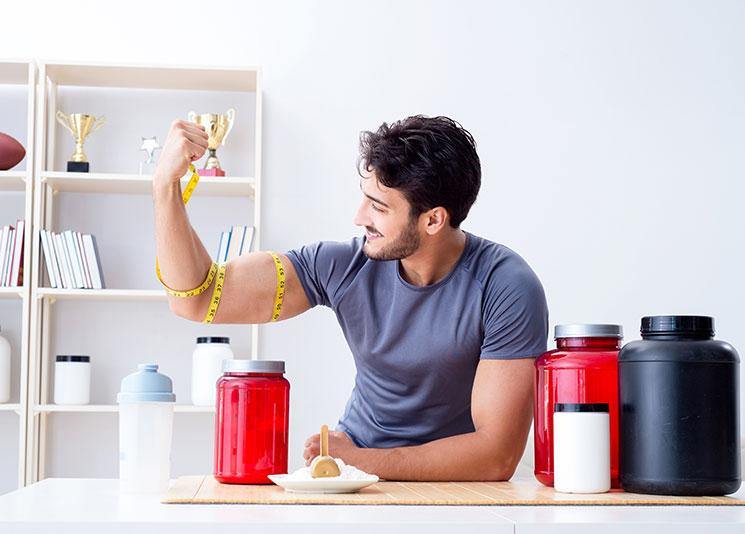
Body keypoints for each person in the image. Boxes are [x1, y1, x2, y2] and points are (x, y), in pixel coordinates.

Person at [152, 115, 548, 481]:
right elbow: (197, 300)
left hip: (449, 485)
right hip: (352, 477)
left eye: (378, 207)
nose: (359, 217)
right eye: (365, 198)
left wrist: (361, 460)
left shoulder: (506, 286)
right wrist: (165, 189)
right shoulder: (341, 265)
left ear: (433, 219)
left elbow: (496, 456)